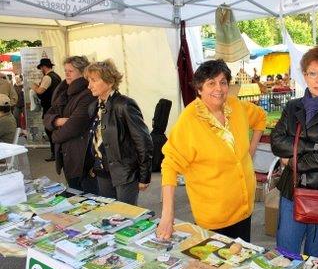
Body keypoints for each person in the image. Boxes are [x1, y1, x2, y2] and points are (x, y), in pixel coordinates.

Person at [156, 60, 266, 242]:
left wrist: (250, 151)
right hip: (215, 218)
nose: (219, 88)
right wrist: (167, 215)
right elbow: (169, 165)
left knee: (241, 263)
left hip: (244, 209)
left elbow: (260, 117)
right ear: (199, 89)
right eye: (211, 83)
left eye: (223, 82)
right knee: (218, 267)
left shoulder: (236, 106)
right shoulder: (190, 120)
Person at [270, 45, 318, 259]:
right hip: (291, 191)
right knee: (286, 254)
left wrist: (292, 161)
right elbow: (277, 142)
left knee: (315, 257)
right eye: (313, 73)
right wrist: (311, 146)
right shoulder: (292, 106)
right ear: (304, 75)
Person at [85, 59, 152, 205]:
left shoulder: (124, 105)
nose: (89, 85)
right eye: (89, 80)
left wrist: (144, 176)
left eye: (94, 80)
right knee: (110, 215)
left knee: (126, 215)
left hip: (124, 174)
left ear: (109, 81)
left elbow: (143, 141)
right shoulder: (94, 107)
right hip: (101, 171)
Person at [43, 56, 98, 193]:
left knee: (86, 197)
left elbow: (74, 126)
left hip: (81, 157)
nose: (66, 73)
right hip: (67, 154)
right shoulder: (63, 92)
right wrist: (58, 121)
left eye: (71, 71)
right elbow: (47, 117)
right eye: (65, 70)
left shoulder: (88, 94)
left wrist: (54, 136)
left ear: (82, 72)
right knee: (75, 194)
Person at [31, 58, 61, 161]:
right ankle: (57, 152)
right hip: (56, 106)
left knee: (49, 130)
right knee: (54, 129)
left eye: (41, 68)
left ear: (44, 67)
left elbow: (40, 91)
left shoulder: (48, 77)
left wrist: (34, 86)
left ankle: (55, 154)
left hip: (49, 107)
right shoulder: (57, 76)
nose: (41, 70)